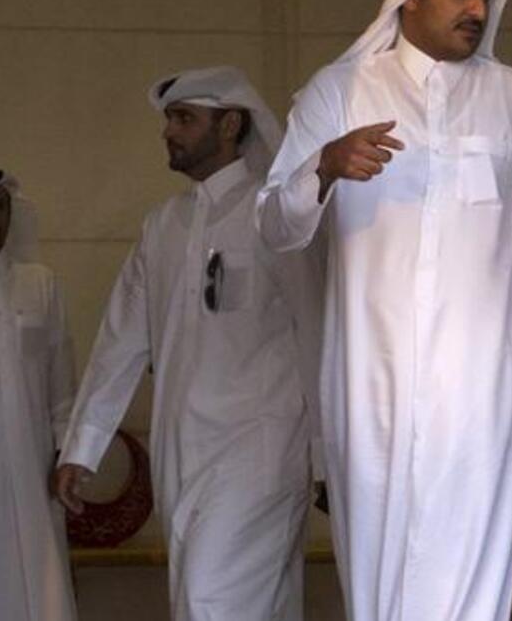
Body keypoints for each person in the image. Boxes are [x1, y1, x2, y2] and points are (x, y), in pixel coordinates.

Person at [256, 0, 512, 618]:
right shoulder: (338, 92)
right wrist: (324, 165)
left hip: (484, 390)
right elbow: (274, 227)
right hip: (369, 383)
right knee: (379, 578)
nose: (477, 9)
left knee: (475, 579)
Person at [52, 66, 321, 621]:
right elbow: (121, 340)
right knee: (225, 604)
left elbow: (317, 330)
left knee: (210, 602)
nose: (168, 132)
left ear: (229, 125)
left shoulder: (275, 217)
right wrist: (83, 447)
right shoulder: (164, 225)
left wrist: (329, 456)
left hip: (260, 450)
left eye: (183, 118)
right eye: (169, 120)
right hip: (183, 451)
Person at [0, 169, 80, 621]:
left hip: (31, 458)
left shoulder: (40, 283)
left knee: (37, 573)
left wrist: (67, 451)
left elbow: (61, 378)